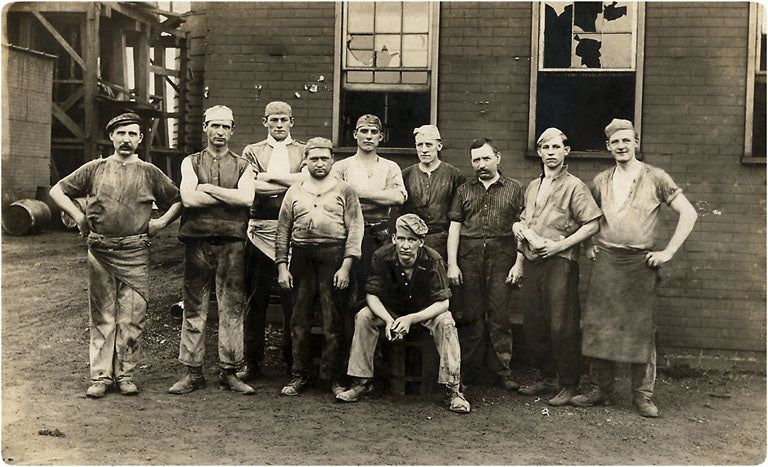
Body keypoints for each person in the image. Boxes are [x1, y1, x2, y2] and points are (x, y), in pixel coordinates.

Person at [571, 119, 697, 417]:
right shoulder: (600, 181)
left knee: (641, 330)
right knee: (599, 326)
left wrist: (667, 252)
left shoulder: (656, 177)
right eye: (615, 142)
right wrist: (587, 245)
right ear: (608, 146)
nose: (621, 146)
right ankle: (600, 389)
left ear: (636, 143)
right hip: (607, 261)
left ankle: (642, 395)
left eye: (626, 140)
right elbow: (586, 217)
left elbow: (689, 213)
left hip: (640, 263)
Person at [50, 112, 182, 398]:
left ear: (140, 139)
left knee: (132, 318)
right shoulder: (94, 168)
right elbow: (57, 191)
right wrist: (79, 216)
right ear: (111, 136)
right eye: (121, 133)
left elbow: (178, 199)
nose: (126, 139)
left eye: (132, 134)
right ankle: (101, 377)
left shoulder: (149, 172)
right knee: (103, 317)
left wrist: (160, 223)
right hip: (101, 252)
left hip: (136, 253)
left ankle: (125, 375)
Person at [336, 214, 471, 414]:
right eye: (401, 238)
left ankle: (454, 390)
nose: (405, 245)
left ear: (421, 242)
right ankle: (362, 383)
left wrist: (411, 319)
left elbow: (443, 302)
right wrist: (389, 320)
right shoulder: (382, 256)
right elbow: (372, 294)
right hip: (391, 311)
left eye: (411, 240)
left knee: (446, 321)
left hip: (423, 312)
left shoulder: (433, 259)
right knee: (364, 316)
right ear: (393, 238)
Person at [169, 105, 256, 395]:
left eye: (225, 126)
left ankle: (229, 372)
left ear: (233, 130)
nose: (220, 132)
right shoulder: (191, 162)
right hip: (198, 242)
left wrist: (208, 189)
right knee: (194, 306)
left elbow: (246, 198)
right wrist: (228, 197)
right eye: (214, 125)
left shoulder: (244, 165)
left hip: (232, 244)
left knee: (232, 307)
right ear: (205, 127)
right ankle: (193, 372)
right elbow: (189, 199)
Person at [512, 128, 601, 406]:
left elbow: (592, 224)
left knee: (562, 324)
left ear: (566, 151)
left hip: (561, 263)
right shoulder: (532, 187)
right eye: (546, 148)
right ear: (539, 152)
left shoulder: (575, 186)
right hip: (533, 262)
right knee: (533, 322)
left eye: (556, 147)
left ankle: (569, 384)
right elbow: (526, 222)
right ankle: (547, 377)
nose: (551, 153)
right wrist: (518, 249)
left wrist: (560, 246)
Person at [275, 137, 364, 396]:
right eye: (314, 158)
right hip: (301, 259)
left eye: (325, 158)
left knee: (333, 321)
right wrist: (282, 266)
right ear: (305, 161)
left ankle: (333, 377)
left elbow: (355, 229)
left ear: (332, 160)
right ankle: (299, 374)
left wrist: (346, 266)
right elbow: (282, 230)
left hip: (333, 258)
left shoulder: (345, 190)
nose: (320, 163)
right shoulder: (294, 190)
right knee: (298, 320)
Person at [446, 137, 525, 390]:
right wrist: (452, 264)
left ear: (498, 158)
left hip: (502, 256)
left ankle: (502, 371)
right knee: (472, 316)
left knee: (500, 315)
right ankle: (469, 371)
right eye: (476, 160)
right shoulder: (463, 191)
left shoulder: (514, 188)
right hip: (469, 257)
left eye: (486, 158)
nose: (481, 164)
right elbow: (454, 228)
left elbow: (523, 229)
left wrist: (519, 263)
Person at [239, 101, 306, 381]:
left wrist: (271, 178)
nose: (279, 124)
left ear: (292, 122)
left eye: (283, 119)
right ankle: (251, 362)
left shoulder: (303, 151)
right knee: (256, 300)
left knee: (293, 302)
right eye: (274, 119)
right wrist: (288, 183)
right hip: (259, 231)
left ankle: (293, 364)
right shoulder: (252, 151)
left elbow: (306, 180)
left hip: (294, 231)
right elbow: (250, 185)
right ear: (265, 122)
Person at [330, 114, 407, 303]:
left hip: (379, 235)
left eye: (374, 132)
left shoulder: (390, 167)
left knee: (377, 286)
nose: (369, 136)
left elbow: (397, 197)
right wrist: (381, 197)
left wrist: (355, 192)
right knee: (346, 288)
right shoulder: (341, 166)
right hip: (347, 234)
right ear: (355, 134)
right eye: (364, 131)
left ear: (381, 136)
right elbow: (334, 198)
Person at [401, 125, 466, 261]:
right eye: (420, 145)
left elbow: (460, 215)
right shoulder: (406, 175)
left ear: (439, 146)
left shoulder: (454, 175)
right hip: (412, 242)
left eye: (429, 145)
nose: (424, 150)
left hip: (442, 242)